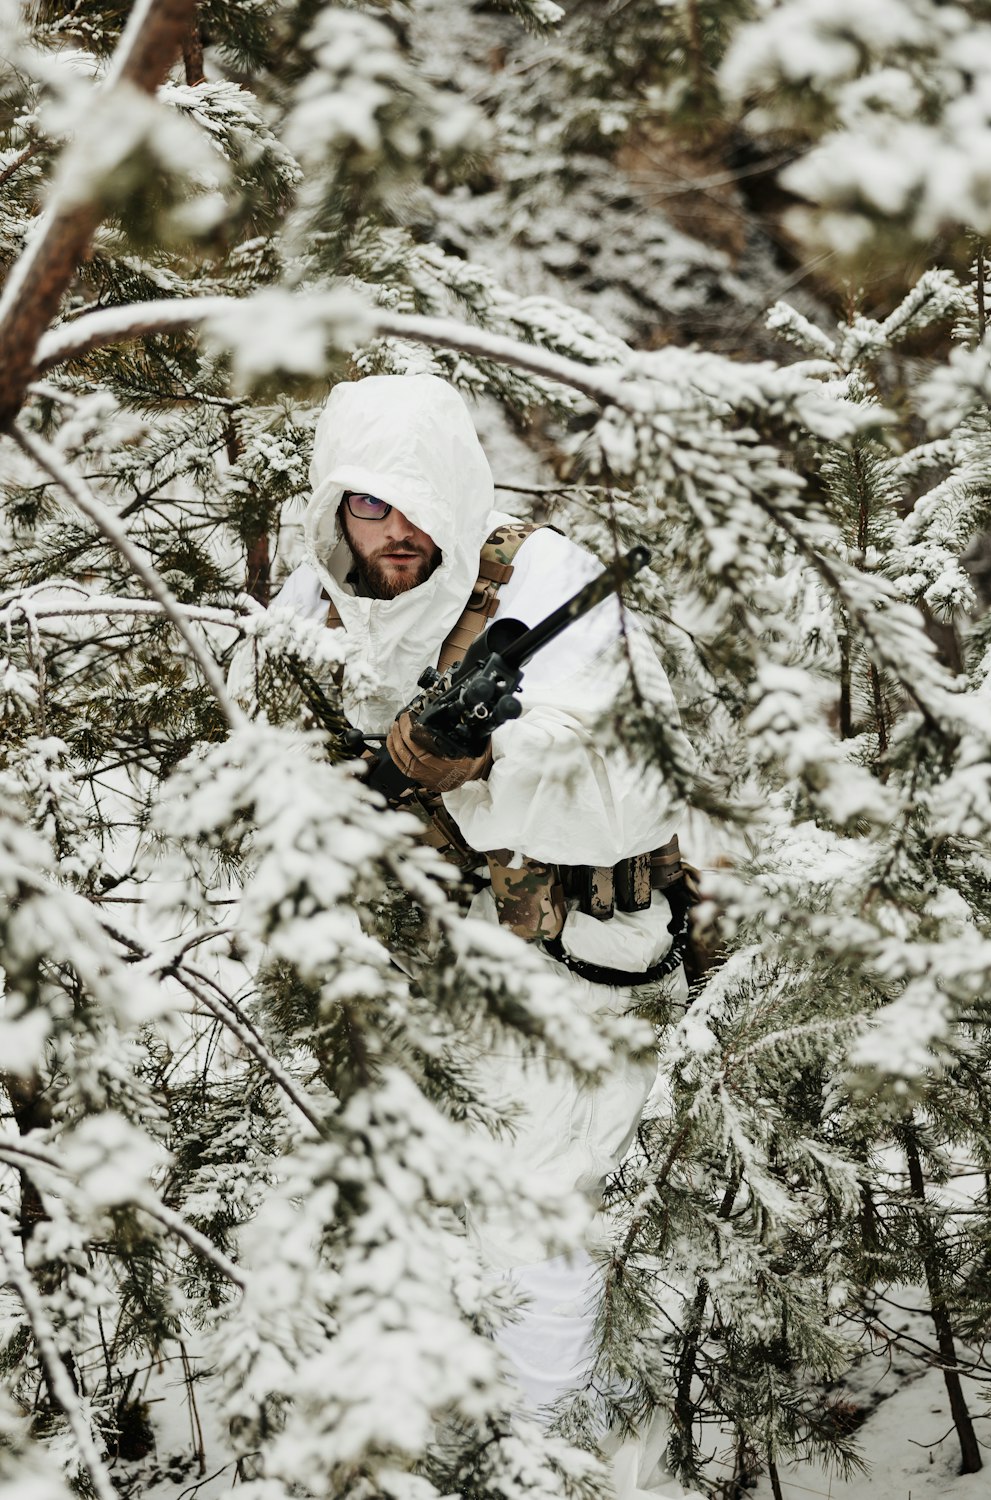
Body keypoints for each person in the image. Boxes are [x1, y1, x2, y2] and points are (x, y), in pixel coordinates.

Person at [266, 373, 688, 1435]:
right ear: (333, 509)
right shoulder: (319, 591)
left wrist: (486, 759)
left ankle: (546, 1454)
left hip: (572, 964)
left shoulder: (551, 585)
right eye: (368, 505)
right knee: (422, 1227)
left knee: (540, 1230)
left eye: (415, 504)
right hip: (420, 969)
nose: (396, 532)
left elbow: (630, 804)